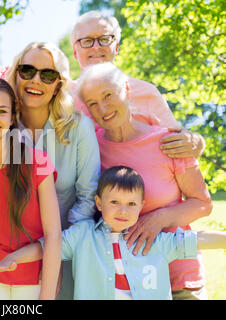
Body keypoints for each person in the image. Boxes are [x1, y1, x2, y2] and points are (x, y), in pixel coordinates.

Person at [75, 62, 213, 299]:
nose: (103, 108)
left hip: (178, 275)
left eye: (108, 95)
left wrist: (158, 219)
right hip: (124, 283)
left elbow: (202, 203)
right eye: (93, 104)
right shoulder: (91, 148)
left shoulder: (168, 141)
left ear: (126, 89)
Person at [0, 166, 225, 300]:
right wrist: (14, 258)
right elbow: (46, 246)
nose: (123, 211)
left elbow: (197, 239)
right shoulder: (82, 235)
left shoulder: (153, 240)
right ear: (99, 203)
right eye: (115, 202)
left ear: (141, 206)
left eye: (132, 204)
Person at [6, 42, 100, 299]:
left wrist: (53, 253)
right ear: (15, 74)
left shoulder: (79, 128)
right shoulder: (1, 126)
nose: (36, 80)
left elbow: (88, 199)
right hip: (8, 253)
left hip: (67, 254)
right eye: (27, 71)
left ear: (58, 84)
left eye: (47, 75)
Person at [0, 77, 61, 300]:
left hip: (32, 275)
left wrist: (47, 295)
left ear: (11, 117)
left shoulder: (38, 162)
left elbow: (54, 235)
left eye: (1, 111)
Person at [70, 10, 205, 159]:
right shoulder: (63, 97)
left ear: (116, 47)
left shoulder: (146, 92)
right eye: (87, 41)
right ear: (75, 51)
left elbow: (179, 141)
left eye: (104, 39)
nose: (96, 47)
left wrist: (197, 143)